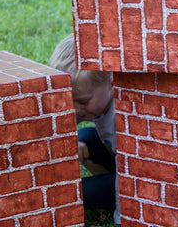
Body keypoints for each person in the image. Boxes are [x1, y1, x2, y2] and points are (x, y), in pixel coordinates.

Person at [49, 33, 120, 224]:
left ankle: (108, 195)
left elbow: (134, 173)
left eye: (82, 101)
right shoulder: (89, 99)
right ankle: (105, 181)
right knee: (83, 136)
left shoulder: (122, 114)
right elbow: (56, 128)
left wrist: (120, 218)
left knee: (81, 192)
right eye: (70, 102)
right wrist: (71, 142)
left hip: (128, 176)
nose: (76, 109)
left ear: (111, 82)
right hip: (114, 159)